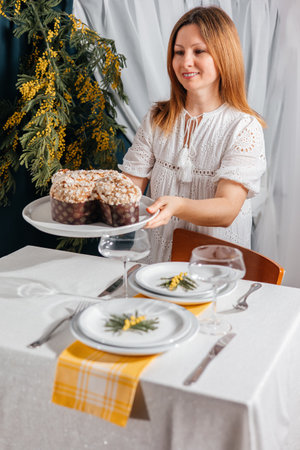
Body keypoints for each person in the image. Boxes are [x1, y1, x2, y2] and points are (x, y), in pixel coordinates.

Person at [118, 6, 266, 263]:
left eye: (199, 51)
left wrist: (178, 206)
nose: (185, 62)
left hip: (216, 270)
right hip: (157, 266)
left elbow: (227, 209)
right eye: (178, 52)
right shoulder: (157, 119)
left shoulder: (243, 126)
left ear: (224, 55)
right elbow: (128, 192)